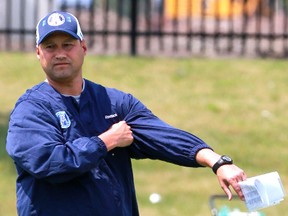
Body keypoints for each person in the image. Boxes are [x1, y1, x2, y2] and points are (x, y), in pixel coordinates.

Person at [6, 11, 246, 216]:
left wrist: (216, 161)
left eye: (67, 45)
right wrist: (106, 141)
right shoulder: (30, 110)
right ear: (39, 53)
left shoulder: (113, 102)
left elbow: (160, 136)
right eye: (50, 47)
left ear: (83, 47)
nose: (59, 53)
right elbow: (50, 162)